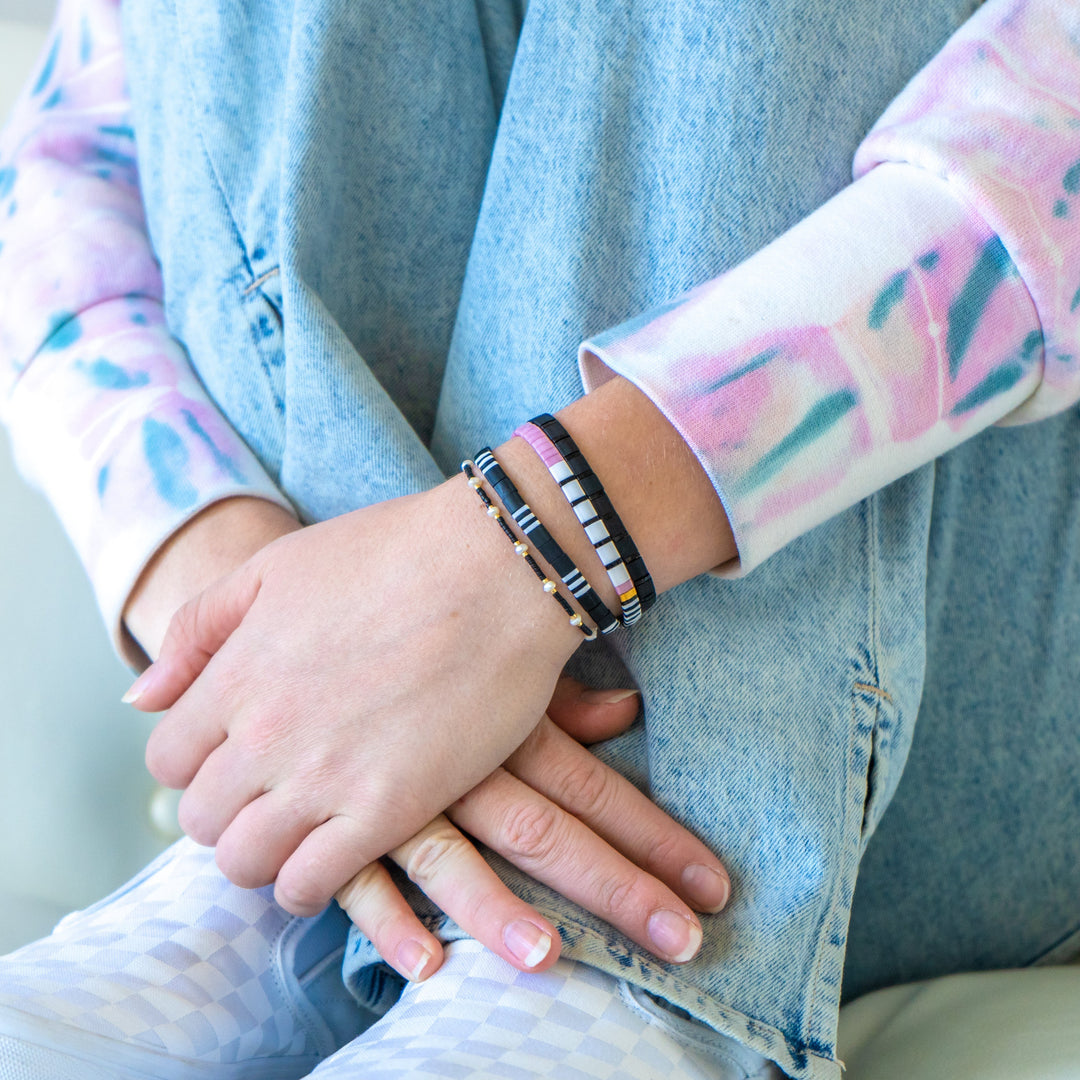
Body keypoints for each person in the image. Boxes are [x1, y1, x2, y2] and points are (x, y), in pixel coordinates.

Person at [0, 0, 1078, 1077]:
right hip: (312, 781)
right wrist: (280, 651)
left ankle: (624, 963)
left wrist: (521, 552)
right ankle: (317, 851)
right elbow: (73, 166)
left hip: (927, 698)